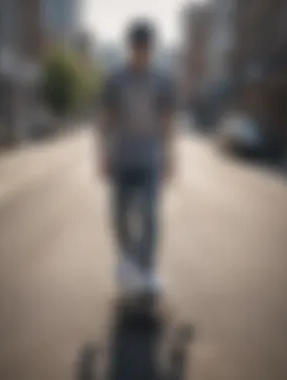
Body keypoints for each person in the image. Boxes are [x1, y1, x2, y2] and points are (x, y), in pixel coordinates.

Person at [97, 19, 176, 298]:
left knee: (150, 216)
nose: (141, 52)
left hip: (150, 159)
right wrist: (103, 154)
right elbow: (106, 120)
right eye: (137, 47)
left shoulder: (162, 80)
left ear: (152, 48)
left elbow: (167, 122)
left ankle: (146, 269)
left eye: (146, 47)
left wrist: (170, 158)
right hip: (121, 158)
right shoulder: (115, 78)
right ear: (130, 47)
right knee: (119, 218)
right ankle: (128, 262)